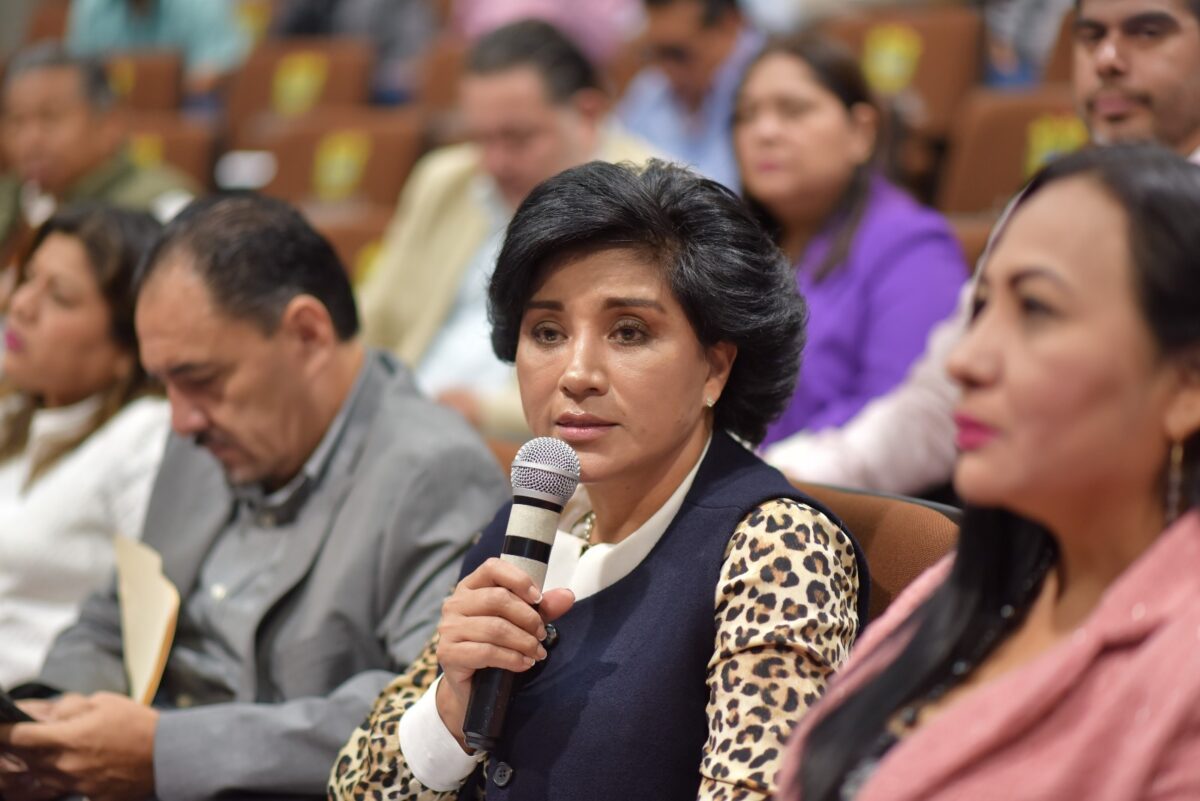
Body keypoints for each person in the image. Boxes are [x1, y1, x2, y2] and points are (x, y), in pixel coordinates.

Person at [330, 159, 868, 801]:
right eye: (547, 332)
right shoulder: (530, 519)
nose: (576, 373)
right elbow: (354, 789)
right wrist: (451, 705)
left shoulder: (776, 545)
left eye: (629, 332)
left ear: (715, 369)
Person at [0, 194, 510, 801]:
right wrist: (52, 722)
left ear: (307, 334)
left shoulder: (433, 472)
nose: (181, 419)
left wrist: (165, 754)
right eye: (166, 384)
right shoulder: (205, 434)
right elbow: (116, 611)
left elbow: (423, 712)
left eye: (201, 379)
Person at [780, 144, 1200, 801]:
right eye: (979, 311)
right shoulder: (968, 581)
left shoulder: (1183, 666)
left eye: (1036, 309)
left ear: (1186, 385)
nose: (966, 361)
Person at [764, 0, 1200, 495]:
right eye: (1091, 36)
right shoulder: (1045, 202)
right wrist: (777, 472)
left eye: (1147, 32)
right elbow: (938, 405)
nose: (1107, 59)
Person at [357, 19, 655, 438]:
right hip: (401, 421)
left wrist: (482, 412)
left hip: (537, 445)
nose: (495, 163)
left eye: (517, 138)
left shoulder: (651, 199)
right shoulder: (445, 180)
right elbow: (372, 319)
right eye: (481, 139)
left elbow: (644, 385)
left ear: (587, 114)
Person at [733, 34, 965, 447]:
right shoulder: (733, 245)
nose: (763, 131)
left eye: (793, 110)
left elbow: (896, 418)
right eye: (746, 115)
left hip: (829, 483)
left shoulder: (914, 246)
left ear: (861, 131)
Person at [0, 204, 167, 687]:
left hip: (37, 703)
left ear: (128, 347)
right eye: (27, 278)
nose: (21, 304)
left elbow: (147, 629)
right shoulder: (19, 411)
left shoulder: (144, 436)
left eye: (60, 297)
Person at [0, 44, 196, 277]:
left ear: (110, 123)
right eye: (17, 121)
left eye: (50, 117)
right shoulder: (15, 194)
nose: (30, 139)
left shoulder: (165, 207)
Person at [618, 0, 762, 188]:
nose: (666, 69)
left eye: (677, 53)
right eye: (653, 53)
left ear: (728, 26)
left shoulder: (770, 79)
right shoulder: (651, 87)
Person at [66, 0, 251, 99]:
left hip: (184, 107)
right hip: (112, 109)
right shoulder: (91, 6)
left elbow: (224, 59)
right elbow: (77, 71)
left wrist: (201, 77)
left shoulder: (202, 4)